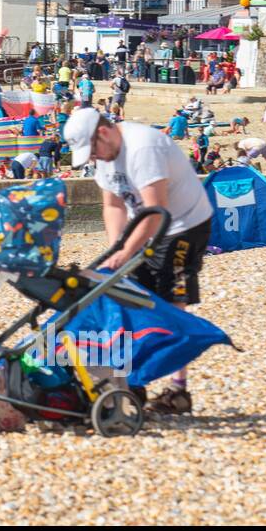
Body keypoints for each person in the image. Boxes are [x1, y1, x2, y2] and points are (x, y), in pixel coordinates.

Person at [63, 107, 214, 415]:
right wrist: (116, 250)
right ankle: (134, 380)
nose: (94, 159)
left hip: (183, 224)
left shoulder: (143, 146)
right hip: (144, 224)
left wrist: (127, 251)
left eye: (92, 151)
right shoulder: (105, 157)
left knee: (172, 299)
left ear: (103, 133)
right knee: (130, 296)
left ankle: (178, 390)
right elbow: (113, 204)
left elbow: (158, 208)